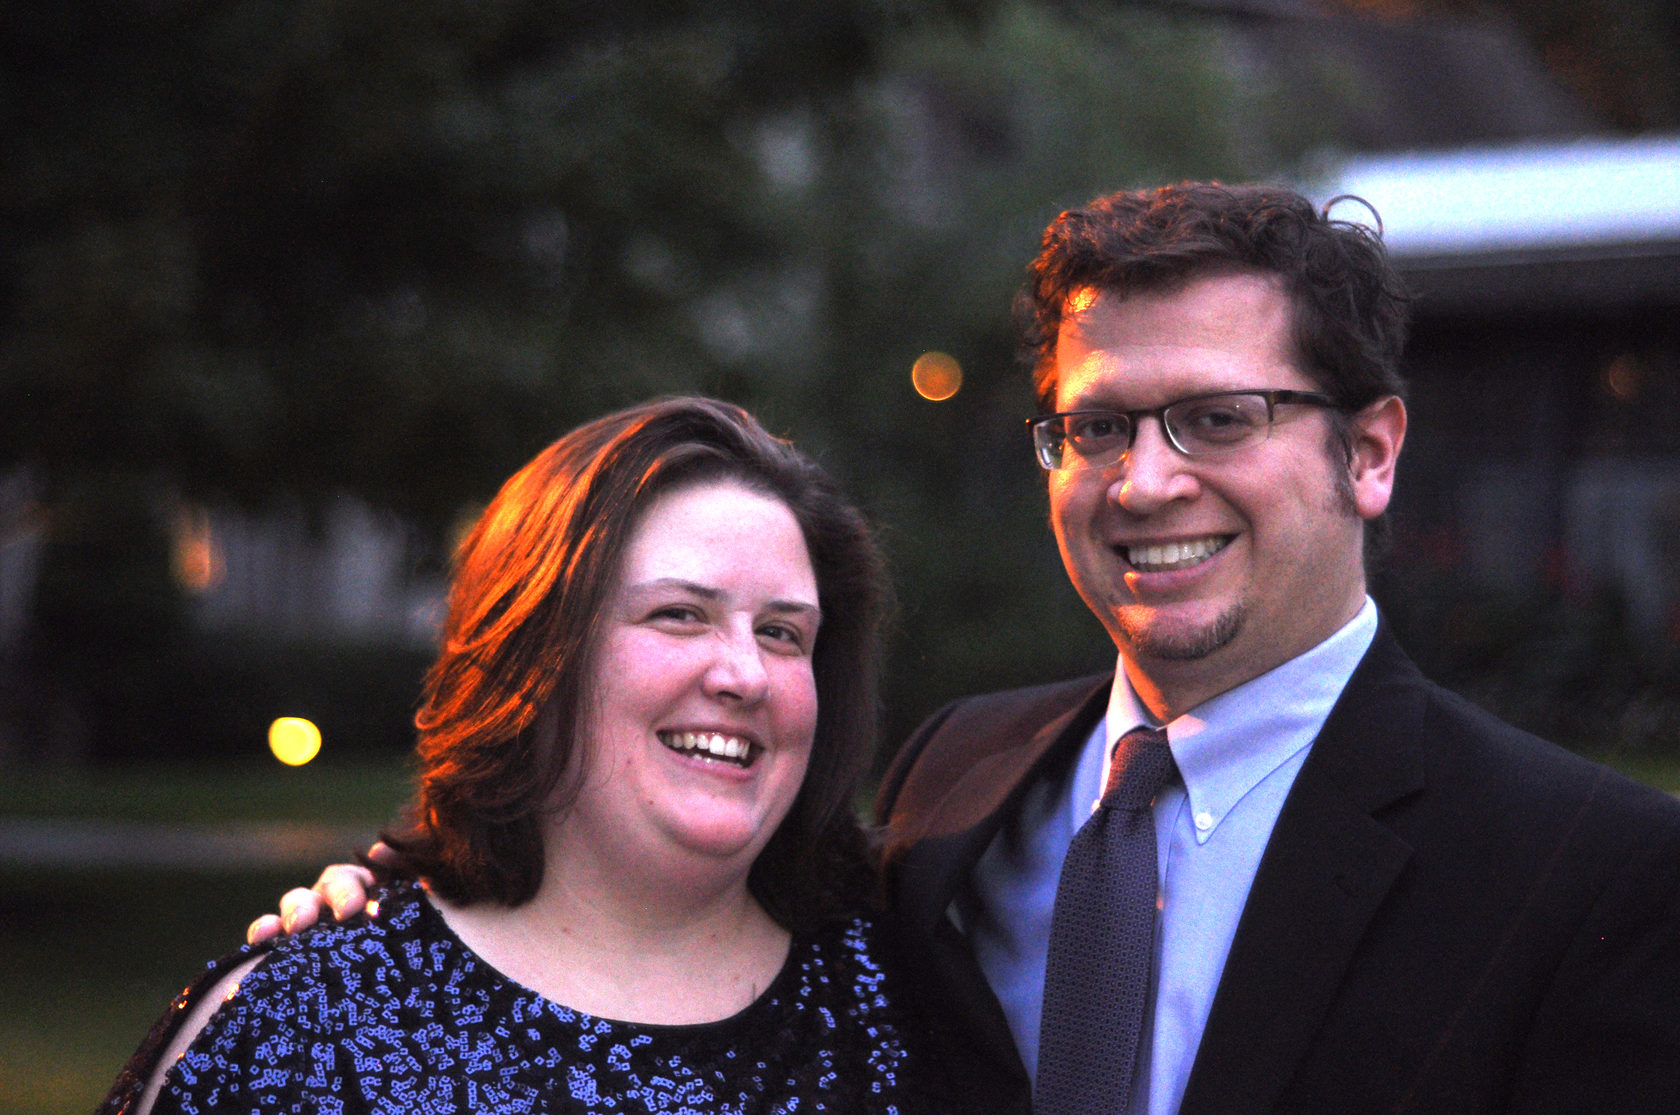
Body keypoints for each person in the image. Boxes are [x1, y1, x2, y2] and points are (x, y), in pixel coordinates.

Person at [251, 184, 1680, 1113]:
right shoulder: (957, 781)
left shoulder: (1591, 873)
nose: (1146, 479)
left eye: (1218, 417)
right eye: (1097, 425)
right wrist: (404, 916)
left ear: (1370, 450)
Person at [102, 397, 950, 1115]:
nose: (744, 674)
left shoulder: (912, 1003)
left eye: (781, 632)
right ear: (532, 656)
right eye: (679, 615)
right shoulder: (309, 1029)